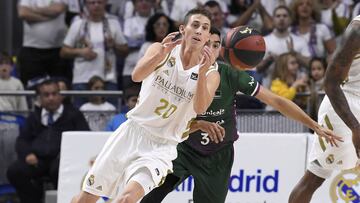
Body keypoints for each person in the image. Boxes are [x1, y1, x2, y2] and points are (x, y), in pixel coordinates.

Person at [140, 26, 342, 203]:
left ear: (221, 50)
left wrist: (314, 125)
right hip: (182, 148)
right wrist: (199, 125)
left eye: (216, 45)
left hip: (218, 154)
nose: (209, 49)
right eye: (205, 43)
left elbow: (276, 101)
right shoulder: (179, 74)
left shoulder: (231, 75)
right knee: (153, 194)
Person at [71, 8, 220, 203]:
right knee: (86, 198)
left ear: (208, 36)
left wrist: (200, 74)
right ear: (183, 29)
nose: (200, 30)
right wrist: (160, 55)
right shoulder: (161, 49)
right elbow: (136, 76)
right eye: (195, 25)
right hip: (133, 132)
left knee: (127, 198)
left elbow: (200, 108)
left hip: (162, 147)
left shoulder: (211, 72)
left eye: (205, 28)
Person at [289, 15, 360, 203]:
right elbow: (330, 84)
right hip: (344, 106)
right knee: (315, 177)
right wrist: (355, 127)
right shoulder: (357, 30)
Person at [6, 79, 90, 203]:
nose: (51, 98)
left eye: (54, 94)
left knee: (58, 170)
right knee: (14, 171)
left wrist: (68, 156)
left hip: (62, 162)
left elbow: (84, 138)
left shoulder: (74, 115)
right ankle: (33, 199)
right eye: (46, 95)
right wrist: (27, 154)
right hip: (37, 161)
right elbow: (22, 140)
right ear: (40, 98)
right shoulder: (34, 117)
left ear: (60, 95)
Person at [60, 0, 128, 107]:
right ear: (86, 5)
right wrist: (81, 52)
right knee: (80, 117)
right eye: (92, 2)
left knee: (110, 115)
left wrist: (114, 45)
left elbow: (125, 50)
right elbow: (63, 51)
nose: (96, 5)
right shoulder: (78, 25)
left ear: (105, 4)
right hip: (82, 79)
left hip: (108, 79)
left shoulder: (113, 24)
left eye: (99, 2)